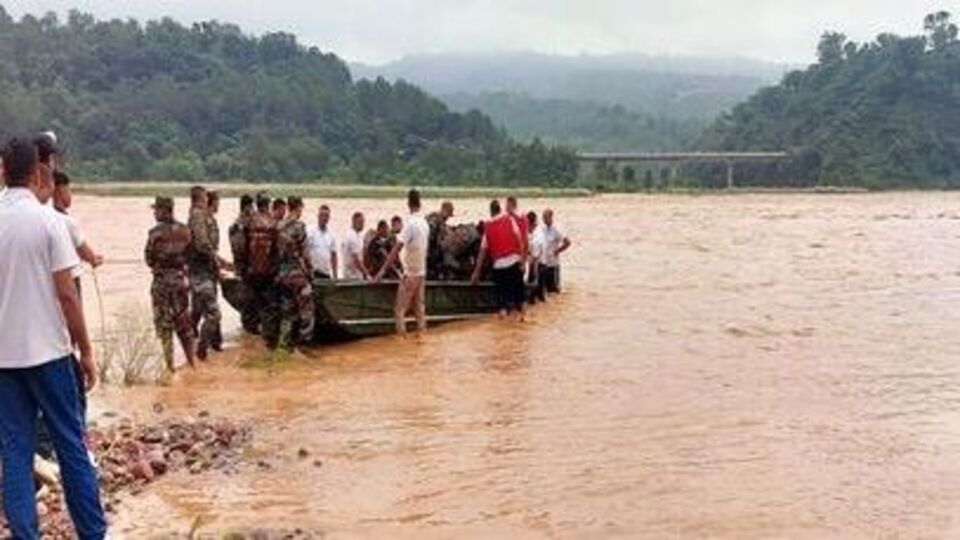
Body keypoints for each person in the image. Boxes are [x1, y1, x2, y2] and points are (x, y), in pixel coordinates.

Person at [0, 138, 107, 539]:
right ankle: (93, 533)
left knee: (15, 451)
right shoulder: (49, 222)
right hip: (48, 353)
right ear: (37, 171)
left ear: (1, 171)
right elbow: (67, 294)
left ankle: (26, 534)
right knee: (70, 445)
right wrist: (87, 351)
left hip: (4, 361)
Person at [145, 196, 198, 371]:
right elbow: (191, 256)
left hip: (161, 285)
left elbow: (149, 259)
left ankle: (170, 367)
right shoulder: (185, 231)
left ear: (166, 210)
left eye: (157, 210)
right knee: (184, 325)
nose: (155, 213)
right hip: (180, 282)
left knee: (164, 327)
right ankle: (192, 363)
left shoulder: (155, 233)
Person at [376, 189, 430, 337]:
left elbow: (396, 250)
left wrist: (381, 272)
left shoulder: (410, 224)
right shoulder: (424, 223)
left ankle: (402, 343)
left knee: (399, 310)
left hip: (411, 272)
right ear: (420, 203)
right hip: (421, 272)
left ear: (408, 203)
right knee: (419, 309)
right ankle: (422, 339)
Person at [472, 199, 527, 320]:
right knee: (521, 299)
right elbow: (520, 241)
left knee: (502, 304)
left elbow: (482, 252)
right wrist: (523, 262)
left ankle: (503, 317)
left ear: (491, 212)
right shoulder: (509, 219)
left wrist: (476, 272)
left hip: (499, 267)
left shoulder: (488, 227)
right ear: (500, 210)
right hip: (514, 263)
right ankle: (523, 319)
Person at [187, 186, 221, 361]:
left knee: (198, 310)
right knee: (214, 314)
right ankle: (201, 350)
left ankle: (191, 349)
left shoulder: (200, 216)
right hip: (201, 272)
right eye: (206, 197)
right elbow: (202, 244)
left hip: (203, 271)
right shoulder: (197, 215)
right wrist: (216, 260)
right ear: (201, 198)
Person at [275, 197, 314, 350]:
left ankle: (285, 344)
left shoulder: (278, 226)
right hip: (297, 274)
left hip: (282, 274)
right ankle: (304, 344)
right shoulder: (299, 227)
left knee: (287, 310)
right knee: (307, 309)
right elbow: (305, 253)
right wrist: (310, 271)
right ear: (298, 208)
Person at [246, 193, 282, 349]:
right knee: (270, 306)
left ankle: (252, 340)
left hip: (253, 270)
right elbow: (278, 249)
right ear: (268, 205)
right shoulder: (273, 224)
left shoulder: (249, 222)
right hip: (268, 271)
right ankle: (269, 342)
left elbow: (242, 246)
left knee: (256, 303)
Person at [229, 194, 259, 334]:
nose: (253, 210)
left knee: (251, 299)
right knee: (248, 299)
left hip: (247, 267)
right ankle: (249, 330)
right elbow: (239, 248)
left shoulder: (244, 223)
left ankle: (250, 327)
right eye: (251, 207)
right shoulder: (239, 225)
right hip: (245, 268)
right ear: (246, 207)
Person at [539, 208, 572, 293]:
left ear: (551, 217)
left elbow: (568, 242)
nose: (544, 219)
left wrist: (557, 251)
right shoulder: (542, 229)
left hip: (553, 264)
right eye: (543, 217)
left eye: (546, 217)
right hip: (544, 263)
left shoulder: (557, 229)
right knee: (545, 290)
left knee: (554, 290)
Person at [306, 204, 338, 280]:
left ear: (329, 218)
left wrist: (335, 275)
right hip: (313, 272)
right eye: (322, 215)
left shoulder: (331, 234)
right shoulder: (310, 231)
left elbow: (334, 255)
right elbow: (305, 251)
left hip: (326, 273)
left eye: (326, 216)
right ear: (318, 216)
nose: (324, 218)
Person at [426, 201, 455, 279]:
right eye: (448, 215)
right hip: (429, 253)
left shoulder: (439, 220)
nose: (448, 218)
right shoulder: (434, 221)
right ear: (443, 210)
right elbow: (429, 238)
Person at [526, 211, 546, 304]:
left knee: (534, 298)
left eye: (526, 224)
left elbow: (534, 259)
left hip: (538, 267)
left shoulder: (537, 238)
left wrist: (534, 279)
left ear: (530, 223)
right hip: (536, 264)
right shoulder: (535, 231)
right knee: (539, 297)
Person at [342, 211, 369, 280]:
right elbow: (356, 259)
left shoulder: (359, 236)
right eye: (360, 222)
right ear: (353, 222)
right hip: (351, 276)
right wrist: (366, 274)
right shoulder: (351, 236)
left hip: (357, 274)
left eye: (363, 222)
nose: (362, 224)